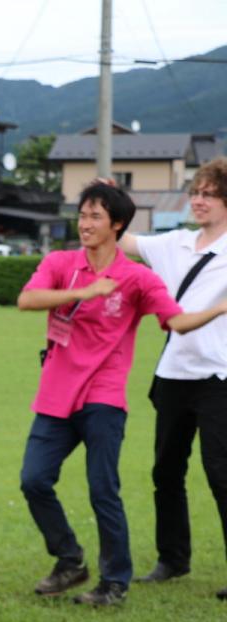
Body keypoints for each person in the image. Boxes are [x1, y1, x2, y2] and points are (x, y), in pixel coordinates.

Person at [17, 183, 227, 606]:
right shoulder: (61, 263)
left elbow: (177, 322)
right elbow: (28, 299)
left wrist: (221, 308)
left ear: (117, 225)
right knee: (34, 480)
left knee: (102, 489)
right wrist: (82, 292)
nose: (85, 224)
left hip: (103, 396)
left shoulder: (137, 277)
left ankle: (114, 582)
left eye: (95, 217)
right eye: (82, 215)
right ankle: (69, 560)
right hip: (56, 393)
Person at [115, 158, 227, 598]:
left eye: (209, 194)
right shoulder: (175, 244)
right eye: (195, 192)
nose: (198, 200)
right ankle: (172, 559)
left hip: (219, 375)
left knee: (221, 473)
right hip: (174, 373)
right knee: (166, 470)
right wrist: (107, 202)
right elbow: (120, 241)